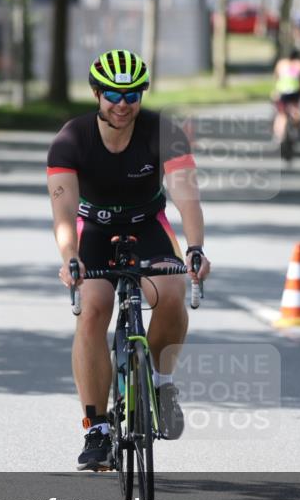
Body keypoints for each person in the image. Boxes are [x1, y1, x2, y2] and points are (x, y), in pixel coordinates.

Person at [47, 49, 212, 470]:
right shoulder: (71, 139)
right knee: (94, 309)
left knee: (172, 291)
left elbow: (186, 197)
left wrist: (194, 248)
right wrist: (70, 258)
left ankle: (160, 382)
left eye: (133, 93)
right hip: (95, 230)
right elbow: (64, 213)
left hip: (148, 225)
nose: (123, 103)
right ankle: (96, 427)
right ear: (97, 94)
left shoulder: (164, 132)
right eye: (113, 94)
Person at [272, 49, 300, 143]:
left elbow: (276, 78)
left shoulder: (280, 64)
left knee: (281, 115)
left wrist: (275, 91)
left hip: (281, 92)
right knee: (296, 111)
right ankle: (296, 129)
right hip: (295, 92)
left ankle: (278, 135)